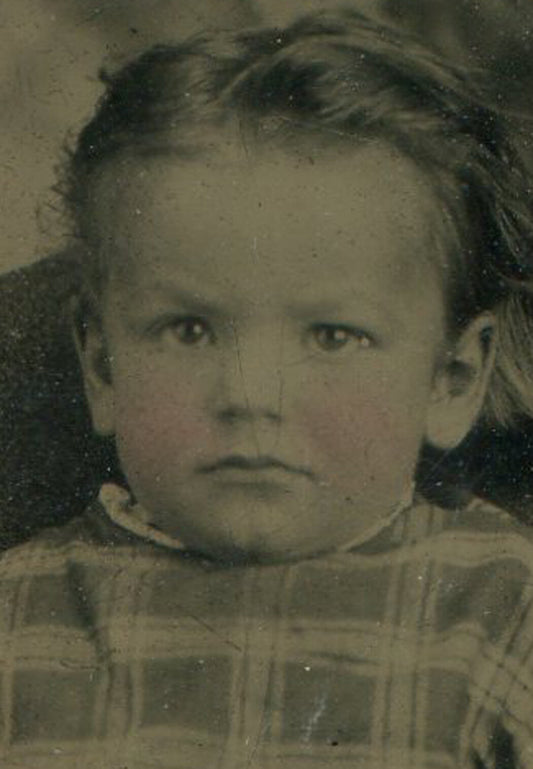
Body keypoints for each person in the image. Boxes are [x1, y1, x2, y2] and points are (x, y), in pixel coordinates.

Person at [1, 7, 533, 768]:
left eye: (331, 336)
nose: (250, 393)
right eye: (189, 330)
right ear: (102, 366)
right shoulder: (21, 612)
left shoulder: (500, 608)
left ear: (451, 379)